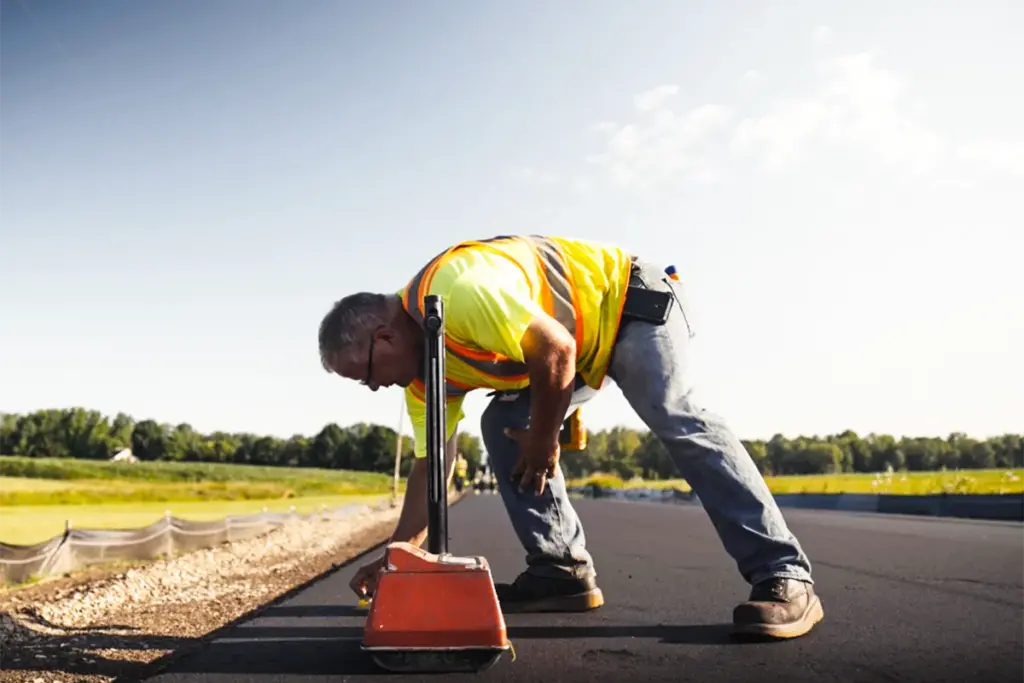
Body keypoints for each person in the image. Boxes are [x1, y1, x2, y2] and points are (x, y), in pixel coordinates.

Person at [317, 234, 824, 639]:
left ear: (383, 336)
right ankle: (561, 568)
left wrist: (544, 440)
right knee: (500, 424)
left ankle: (785, 575)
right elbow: (433, 466)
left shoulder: (454, 292)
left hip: (629, 303)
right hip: (575, 354)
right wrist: (401, 553)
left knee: (673, 413)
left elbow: (554, 348)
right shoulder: (425, 376)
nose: (374, 386)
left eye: (364, 375)